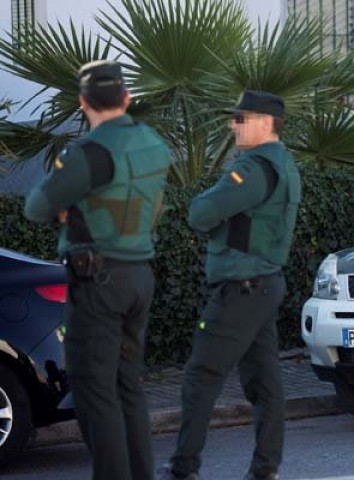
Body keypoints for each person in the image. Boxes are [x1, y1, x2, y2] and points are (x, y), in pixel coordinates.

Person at [24, 60, 171, 480]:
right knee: (128, 387)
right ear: (126, 98)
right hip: (139, 275)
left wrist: (70, 207)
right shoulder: (154, 145)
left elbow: (37, 205)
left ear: (83, 101)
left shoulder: (88, 152)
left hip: (98, 283)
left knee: (93, 393)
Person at [158, 90, 302, 480]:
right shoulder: (284, 163)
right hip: (264, 284)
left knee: (201, 375)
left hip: (241, 287)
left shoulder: (254, 169)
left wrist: (213, 212)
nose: (233, 125)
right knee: (265, 383)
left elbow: (200, 212)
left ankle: (183, 468)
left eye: (241, 118)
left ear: (264, 122)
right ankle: (265, 470)